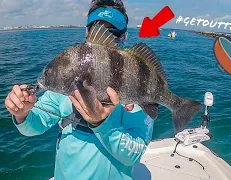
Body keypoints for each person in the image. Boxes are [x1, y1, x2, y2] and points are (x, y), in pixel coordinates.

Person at [4, 1, 154, 180]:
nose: (106, 38)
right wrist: (22, 114)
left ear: (124, 37)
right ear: (87, 33)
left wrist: (102, 124)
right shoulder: (69, 78)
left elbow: (133, 156)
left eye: (113, 33)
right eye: (97, 30)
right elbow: (34, 127)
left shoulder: (137, 83)